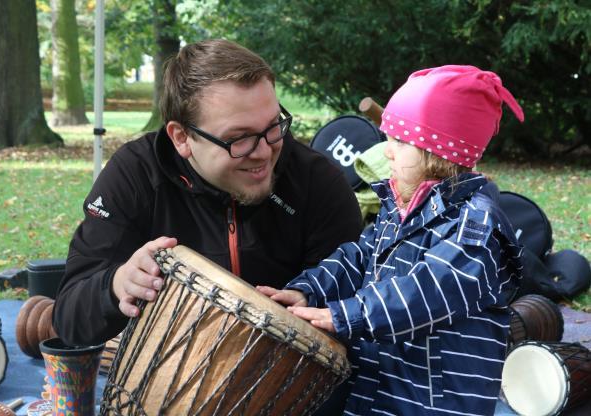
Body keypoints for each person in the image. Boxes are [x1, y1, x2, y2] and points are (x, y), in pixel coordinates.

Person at [52, 39, 362, 346]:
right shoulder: (136, 175)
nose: (265, 151)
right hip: (164, 383)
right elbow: (69, 320)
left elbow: (356, 313)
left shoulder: (318, 183)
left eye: (272, 126)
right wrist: (116, 285)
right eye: (239, 138)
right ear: (182, 137)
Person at [258, 65, 525, 415]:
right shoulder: (401, 207)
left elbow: (427, 291)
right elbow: (360, 256)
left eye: (399, 141)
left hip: (436, 404)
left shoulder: (476, 229)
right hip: (382, 390)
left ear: (438, 155)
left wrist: (346, 315)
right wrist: (310, 289)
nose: (387, 151)